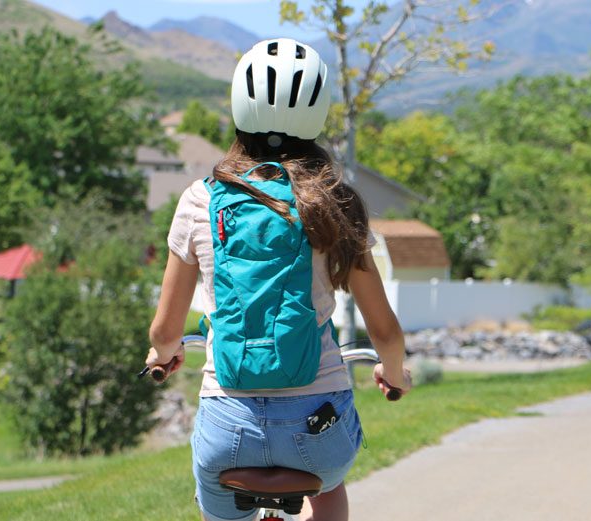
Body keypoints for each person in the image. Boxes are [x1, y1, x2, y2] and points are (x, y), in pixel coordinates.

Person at [146, 38, 412, 521]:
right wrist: (394, 376)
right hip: (317, 427)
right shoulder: (336, 203)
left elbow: (165, 332)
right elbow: (386, 333)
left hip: (228, 427)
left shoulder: (199, 201)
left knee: (217, 499)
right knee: (329, 490)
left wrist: (163, 355)